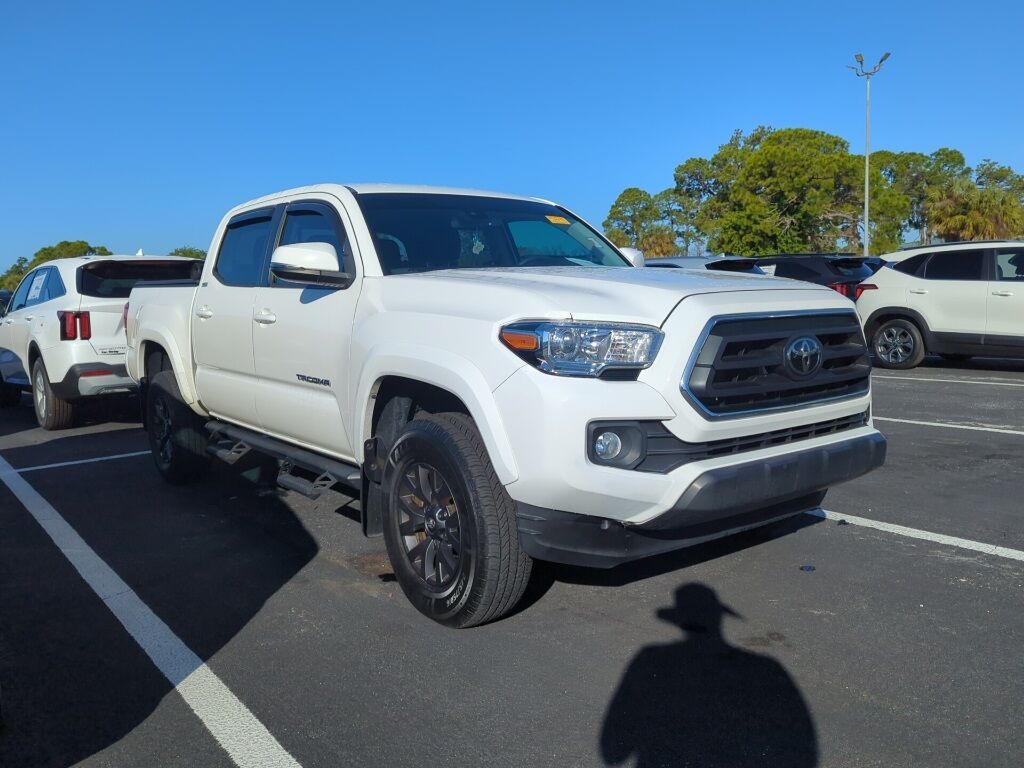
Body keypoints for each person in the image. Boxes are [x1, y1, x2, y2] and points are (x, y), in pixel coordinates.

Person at [600, 583, 818, 767]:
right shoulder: (767, 667)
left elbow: (613, 753)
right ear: (718, 618)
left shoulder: (651, 658)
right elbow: (802, 746)